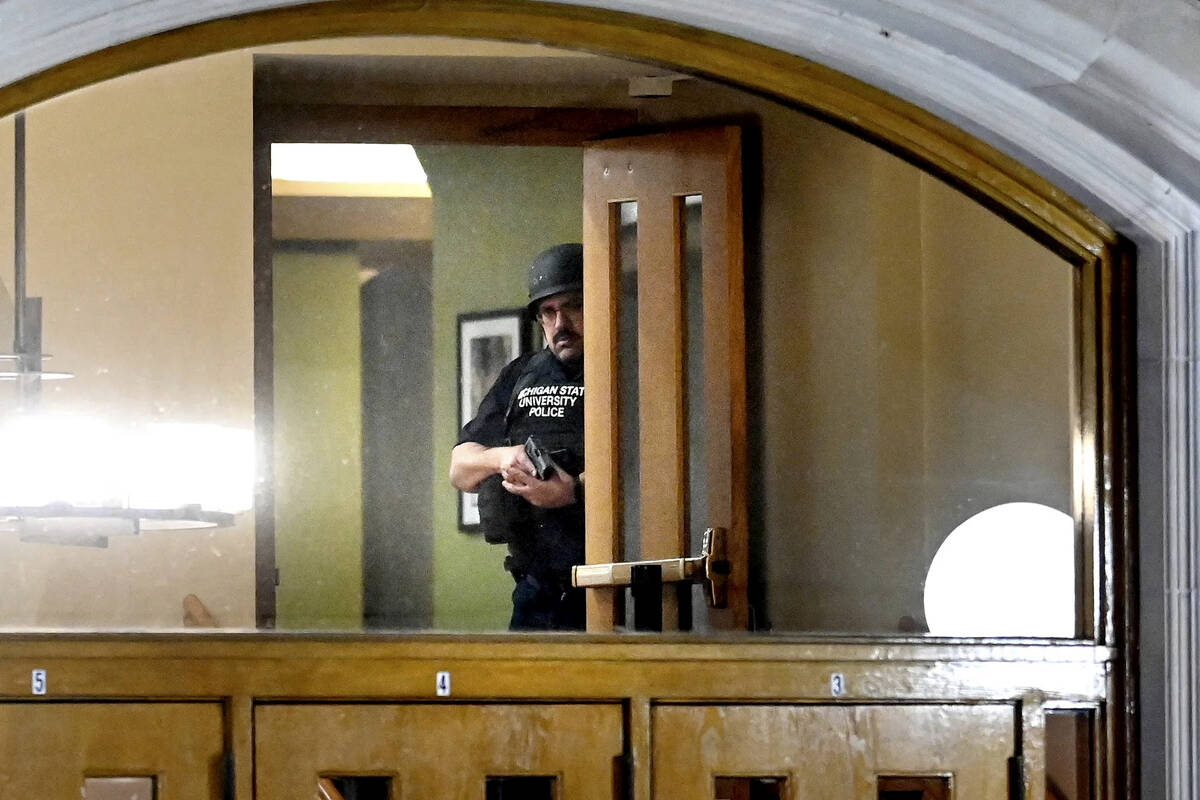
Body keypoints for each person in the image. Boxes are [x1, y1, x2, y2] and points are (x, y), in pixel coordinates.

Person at [449, 243, 587, 630]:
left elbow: (652, 471)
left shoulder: (625, 368)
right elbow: (460, 469)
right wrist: (503, 458)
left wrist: (573, 490)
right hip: (535, 589)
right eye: (548, 312)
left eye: (573, 306)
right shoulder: (521, 374)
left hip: (604, 588)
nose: (561, 324)